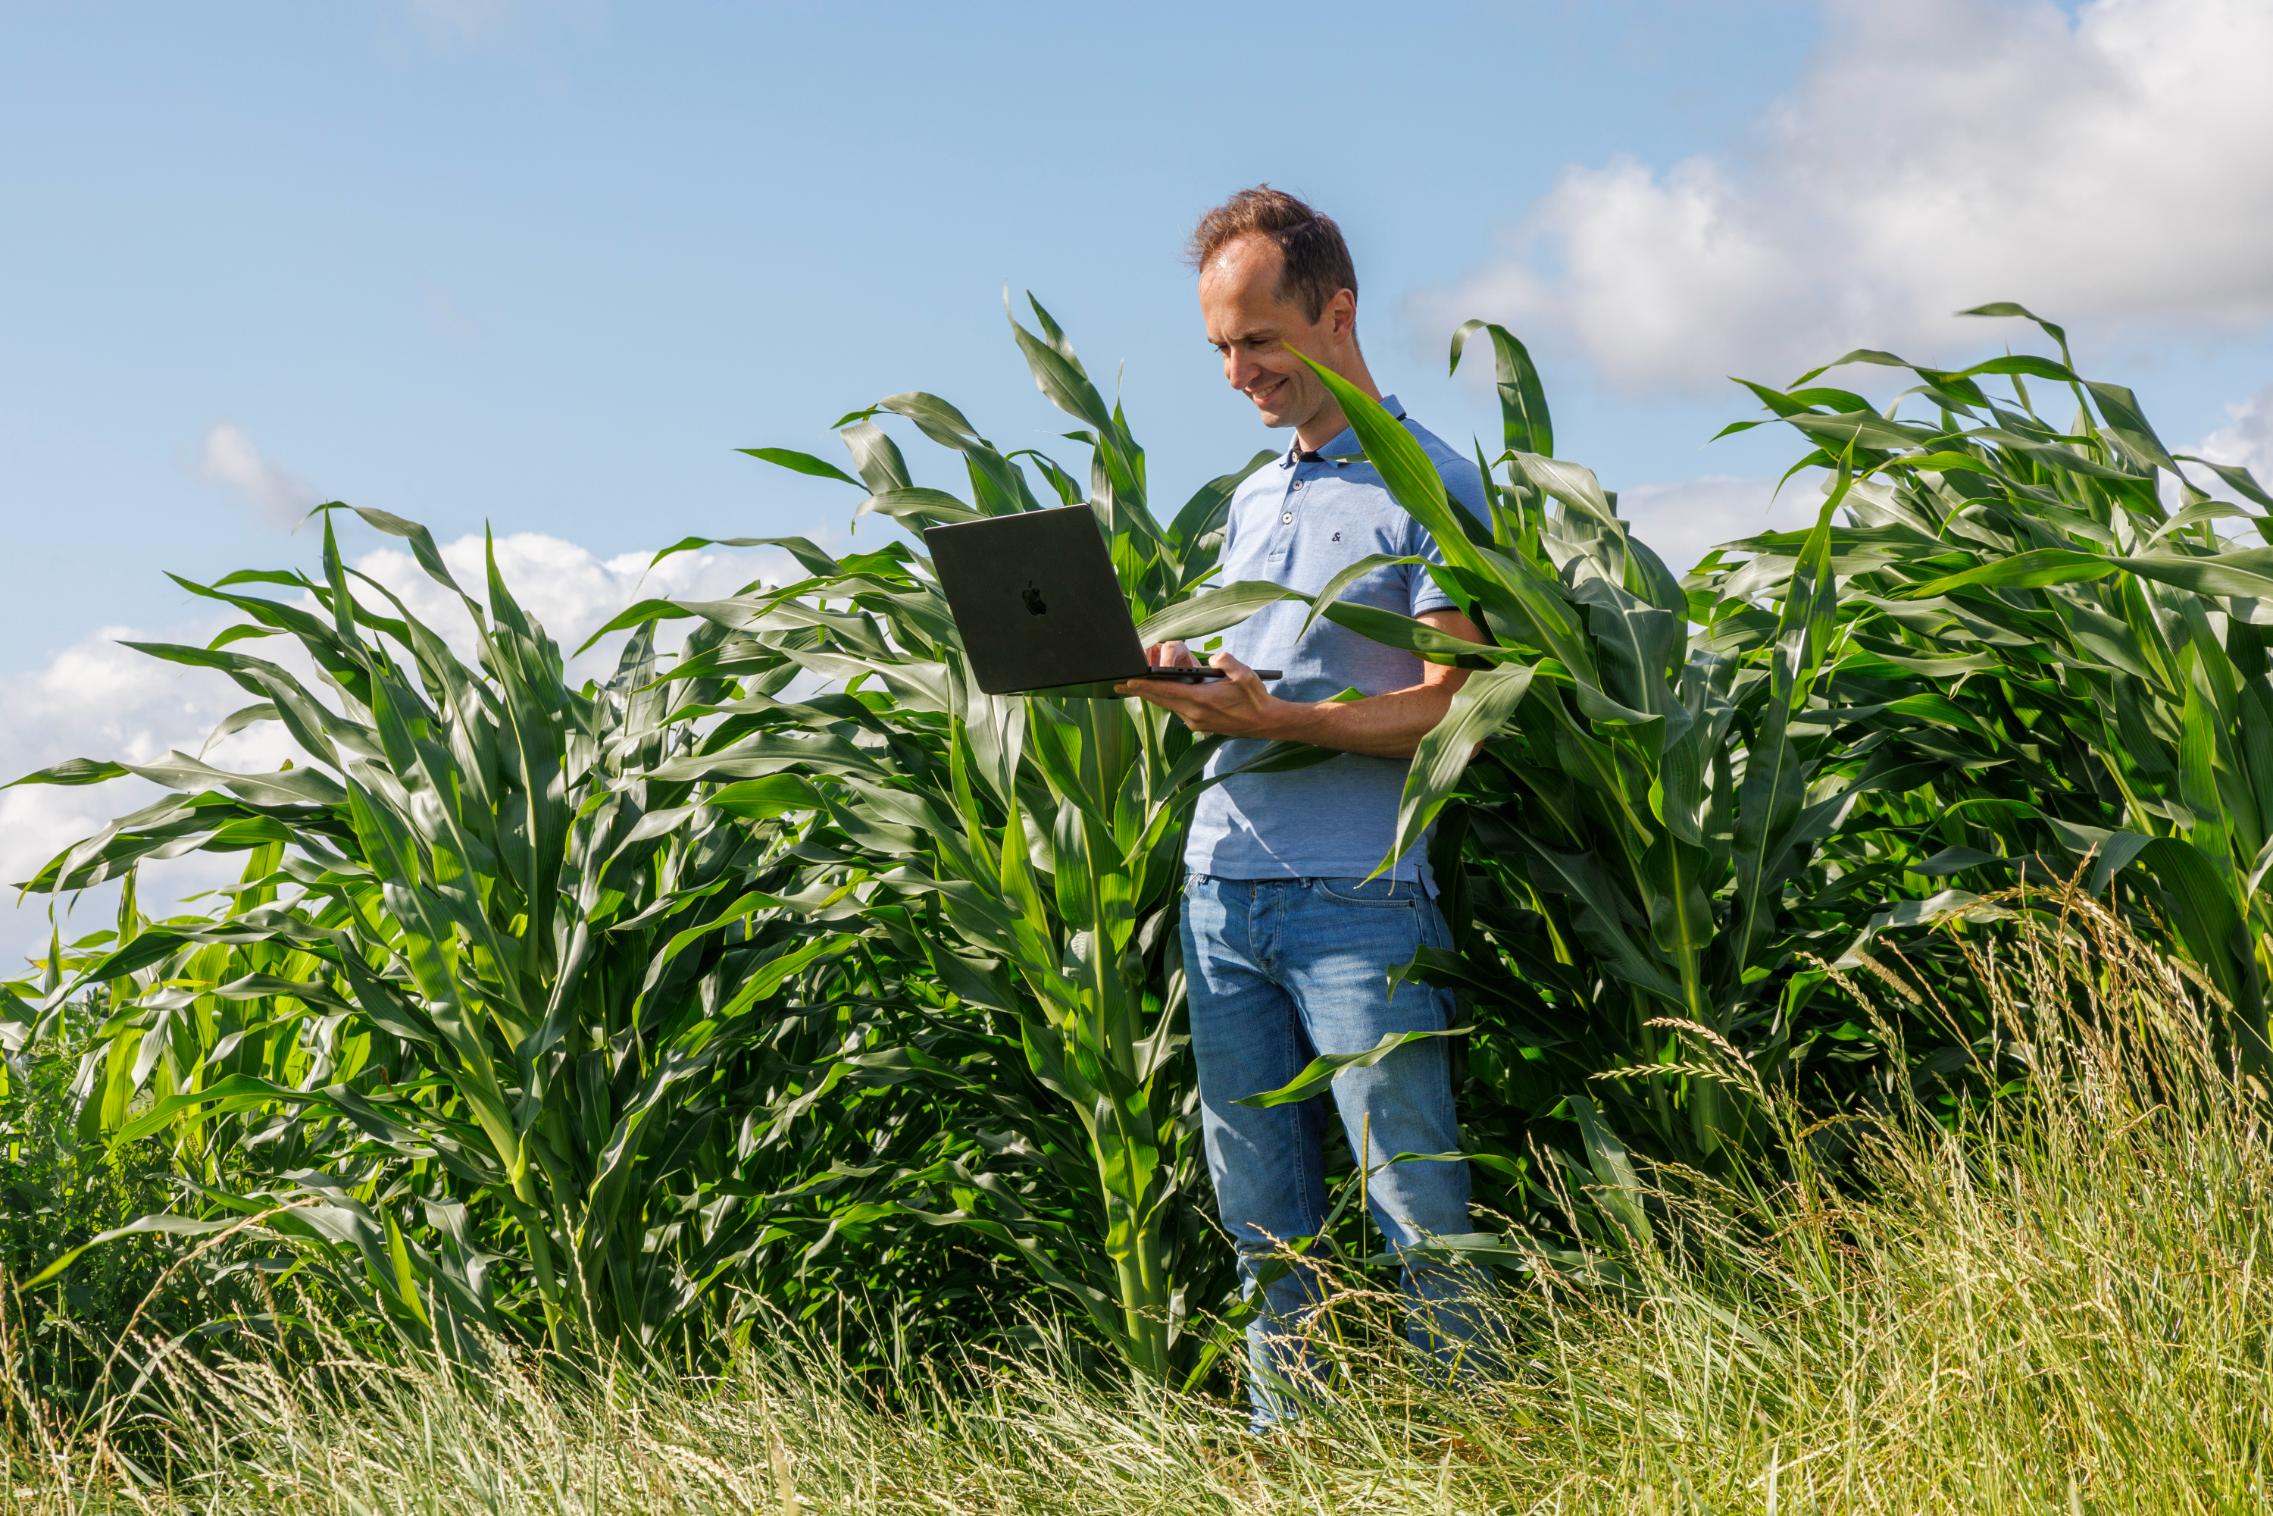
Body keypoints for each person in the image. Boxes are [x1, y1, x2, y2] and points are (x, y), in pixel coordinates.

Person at [1114, 185, 1491, 1430]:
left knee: (1417, 1218)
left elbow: (1450, 708)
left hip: (1356, 900)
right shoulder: (1251, 496)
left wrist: (1286, 725)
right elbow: (1265, 671)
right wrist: (1178, 680)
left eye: (1258, 340)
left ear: (1336, 313)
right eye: (1218, 347)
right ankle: (1299, 1462)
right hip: (1222, 891)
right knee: (1263, 1228)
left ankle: (1469, 1464)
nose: (1236, 371)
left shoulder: (1425, 485)